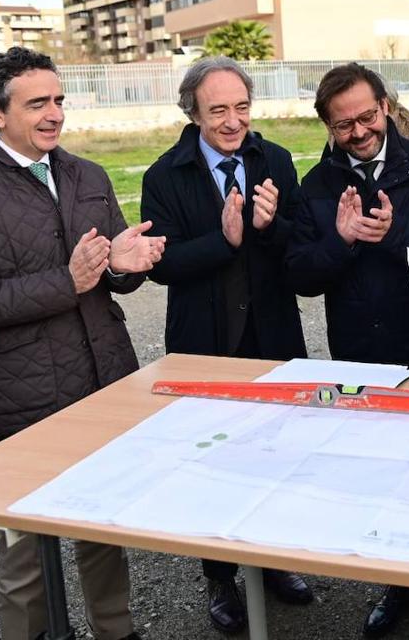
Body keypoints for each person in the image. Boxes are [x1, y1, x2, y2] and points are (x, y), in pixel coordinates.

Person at [0, 47, 164, 640]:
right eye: (37, 103)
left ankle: (115, 629)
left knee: (102, 530)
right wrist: (69, 280)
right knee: (25, 551)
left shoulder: (88, 174)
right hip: (22, 395)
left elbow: (111, 271)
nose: (55, 113)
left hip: (102, 381)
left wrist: (123, 268)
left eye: (58, 99)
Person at [285, 61, 409, 637]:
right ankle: (398, 581)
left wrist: (395, 236)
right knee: (385, 472)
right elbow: (301, 275)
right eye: (343, 125)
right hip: (360, 350)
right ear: (328, 128)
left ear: (384, 105)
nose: (358, 132)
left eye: (365, 116)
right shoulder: (316, 186)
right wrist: (340, 241)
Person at [139, 56, 313, 634]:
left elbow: (298, 250)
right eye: (219, 110)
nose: (234, 121)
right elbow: (161, 267)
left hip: (272, 338)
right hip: (204, 342)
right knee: (210, 460)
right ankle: (220, 577)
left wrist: (269, 228)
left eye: (242, 107)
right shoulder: (165, 176)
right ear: (193, 113)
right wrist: (224, 239)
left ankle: (273, 564)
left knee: (279, 454)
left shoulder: (276, 160)